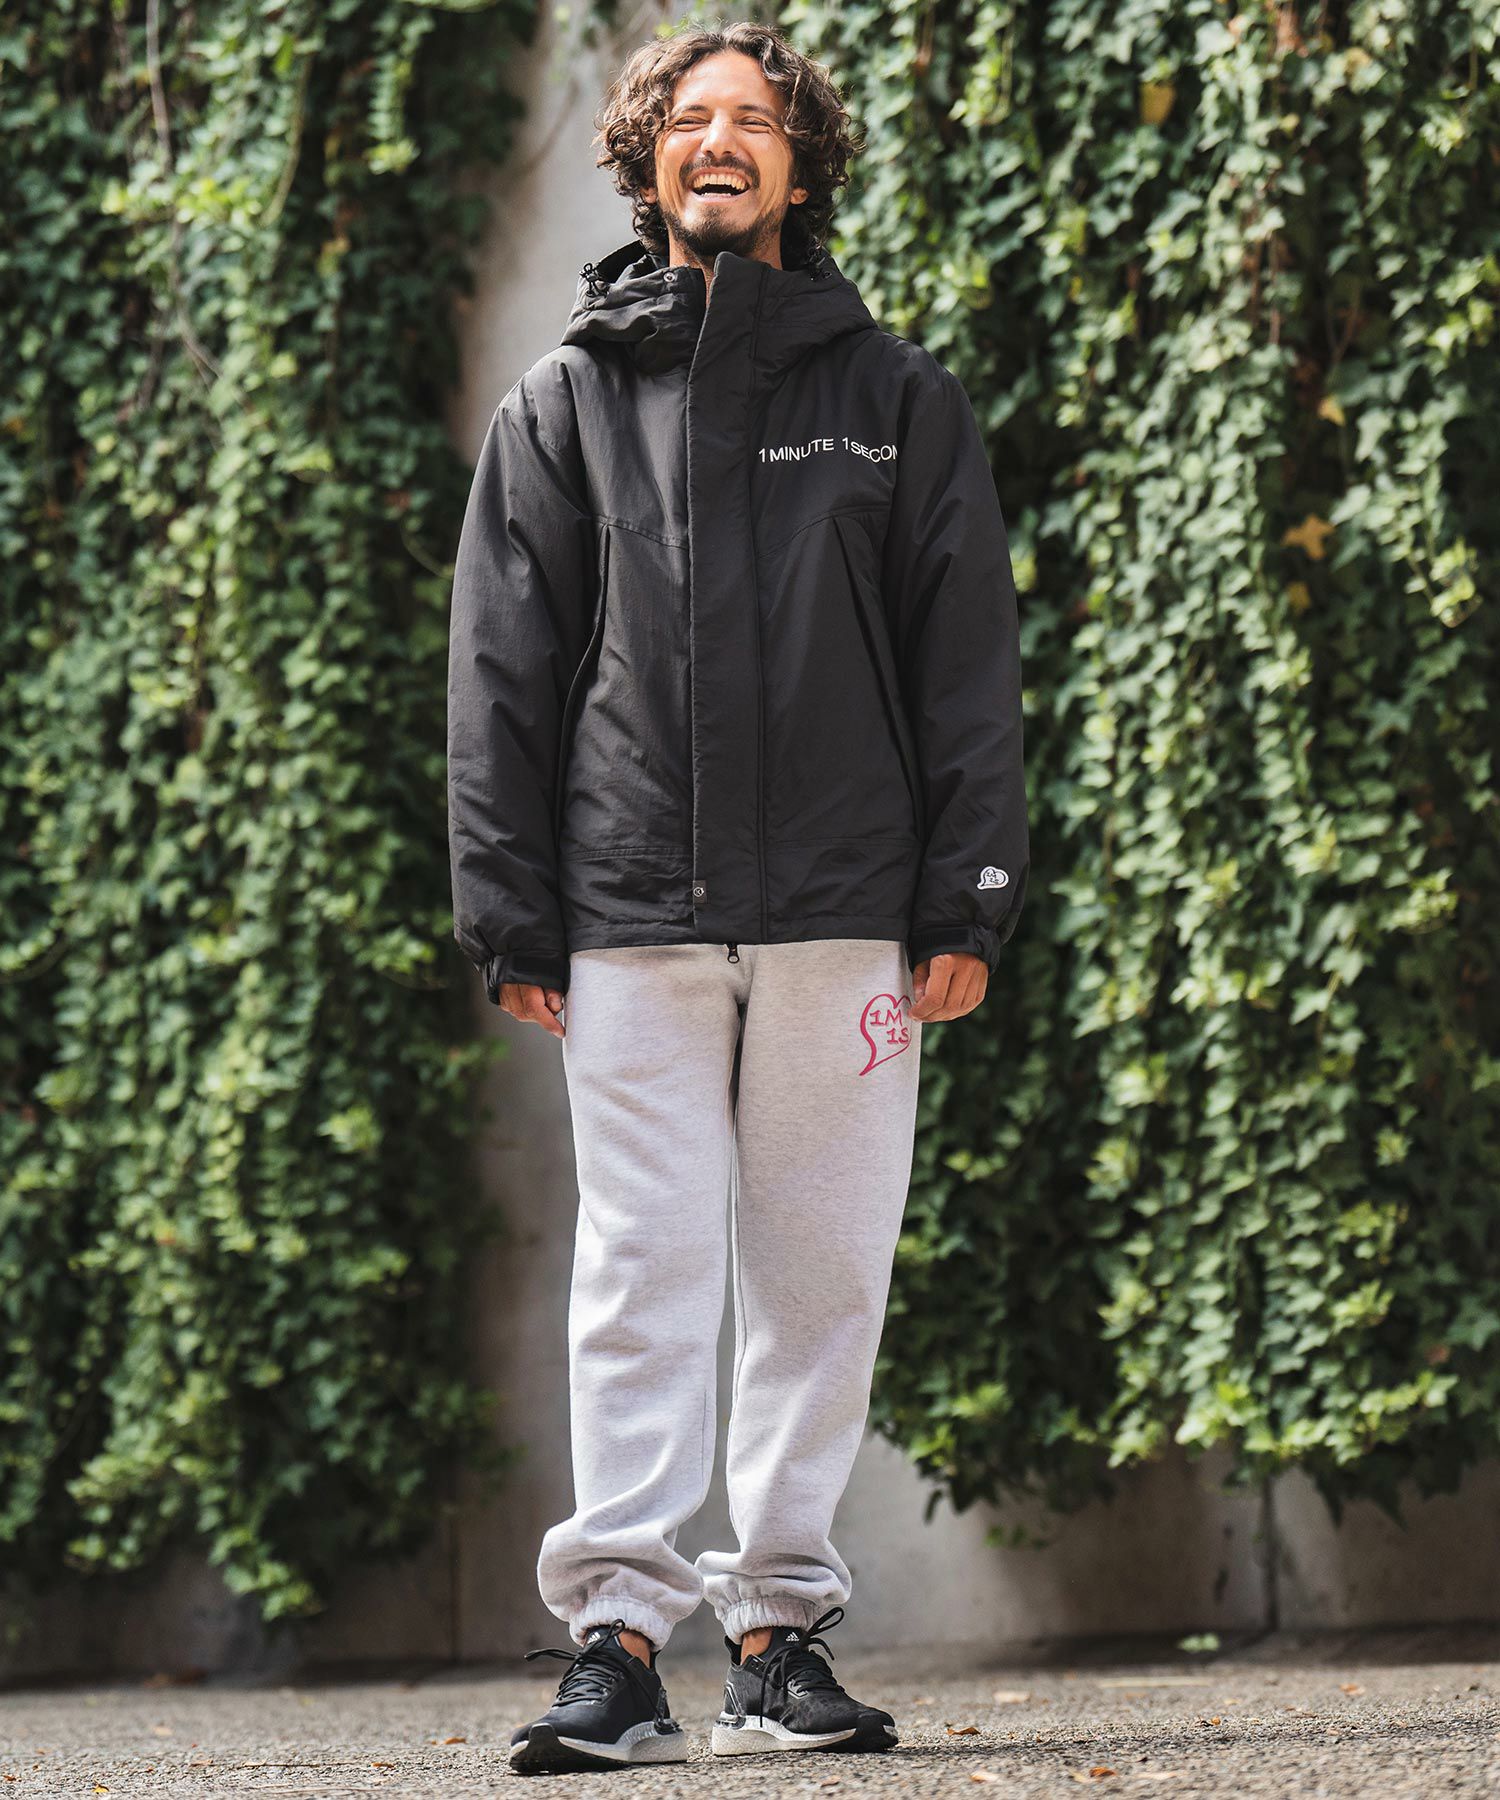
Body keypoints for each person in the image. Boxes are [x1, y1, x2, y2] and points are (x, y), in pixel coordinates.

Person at [446, 18, 1028, 1777]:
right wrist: (510, 911)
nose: (721, 139)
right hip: (627, 913)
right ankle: (619, 1644)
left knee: (820, 1274)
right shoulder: (560, 405)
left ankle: (777, 1635)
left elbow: (964, 669)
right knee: (640, 1273)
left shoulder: (897, 401)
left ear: (798, 163)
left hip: (851, 913)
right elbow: (501, 676)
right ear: (645, 159)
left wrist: (967, 899)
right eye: (690, 117)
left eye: (755, 119)